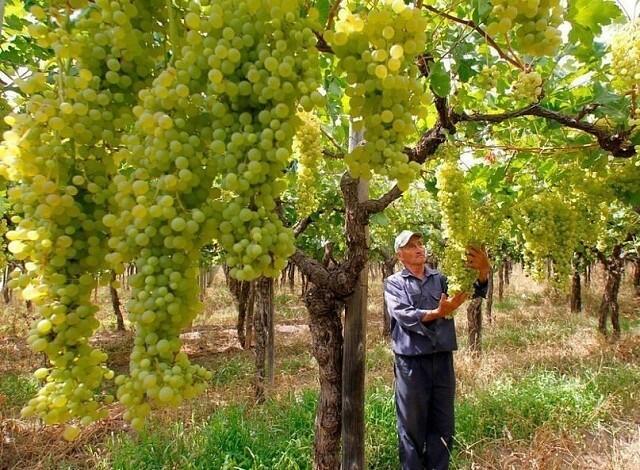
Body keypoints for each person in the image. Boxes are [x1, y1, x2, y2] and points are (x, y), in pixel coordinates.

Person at [384, 230, 490, 470]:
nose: (419, 248)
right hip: (411, 363)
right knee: (411, 427)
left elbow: (475, 290)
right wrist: (438, 312)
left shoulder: (441, 279)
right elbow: (404, 315)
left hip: (442, 359)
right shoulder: (394, 283)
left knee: (443, 425)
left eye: (420, 243)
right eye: (411, 246)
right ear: (400, 255)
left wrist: (484, 270)